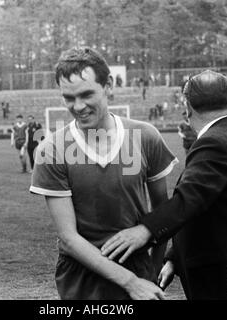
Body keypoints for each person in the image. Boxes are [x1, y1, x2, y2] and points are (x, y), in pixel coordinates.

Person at [101, 70, 227, 300]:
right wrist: (174, 258)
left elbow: (189, 198)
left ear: (187, 107)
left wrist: (144, 230)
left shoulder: (215, 142)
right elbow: (205, 208)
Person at [30, 46, 178, 300]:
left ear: (108, 85)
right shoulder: (51, 149)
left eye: (87, 94)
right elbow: (68, 239)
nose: (78, 106)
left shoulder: (145, 136)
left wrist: (151, 270)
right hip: (82, 276)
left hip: (138, 265)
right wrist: (131, 283)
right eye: (68, 97)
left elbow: (162, 214)